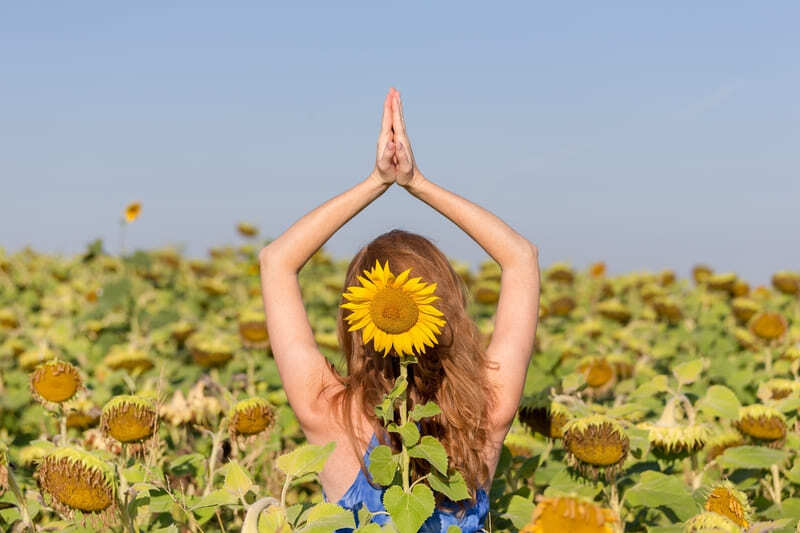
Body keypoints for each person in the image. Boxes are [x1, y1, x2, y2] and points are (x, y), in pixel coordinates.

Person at [258, 88, 540, 532]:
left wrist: (377, 181)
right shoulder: (483, 412)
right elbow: (520, 257)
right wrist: (417, 183)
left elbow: (277, 261)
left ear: (357, 319)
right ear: (444, 307)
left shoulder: (328, 412)